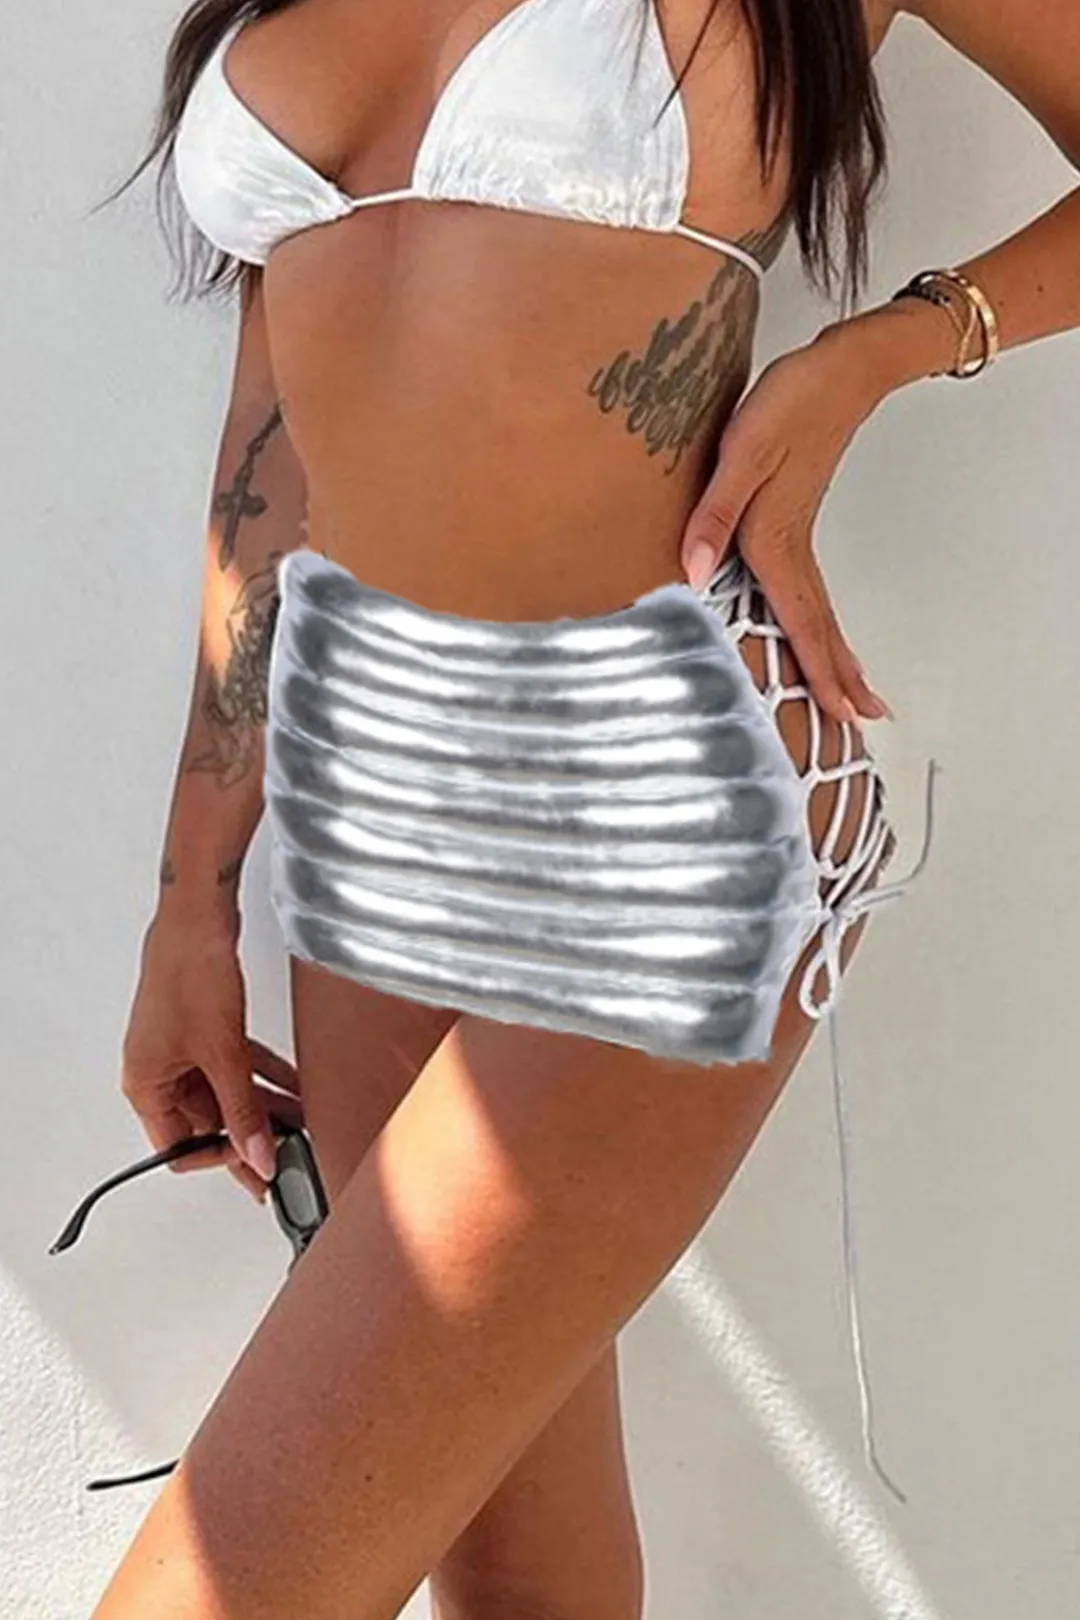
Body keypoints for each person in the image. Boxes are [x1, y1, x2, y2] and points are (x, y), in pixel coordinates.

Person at [92, 1, 1079, 1616]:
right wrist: (190, 898)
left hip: (665, 802)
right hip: (372, 825)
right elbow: (267, 457)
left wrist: (887, 348)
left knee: (233, 1579)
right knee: (516, 1583)